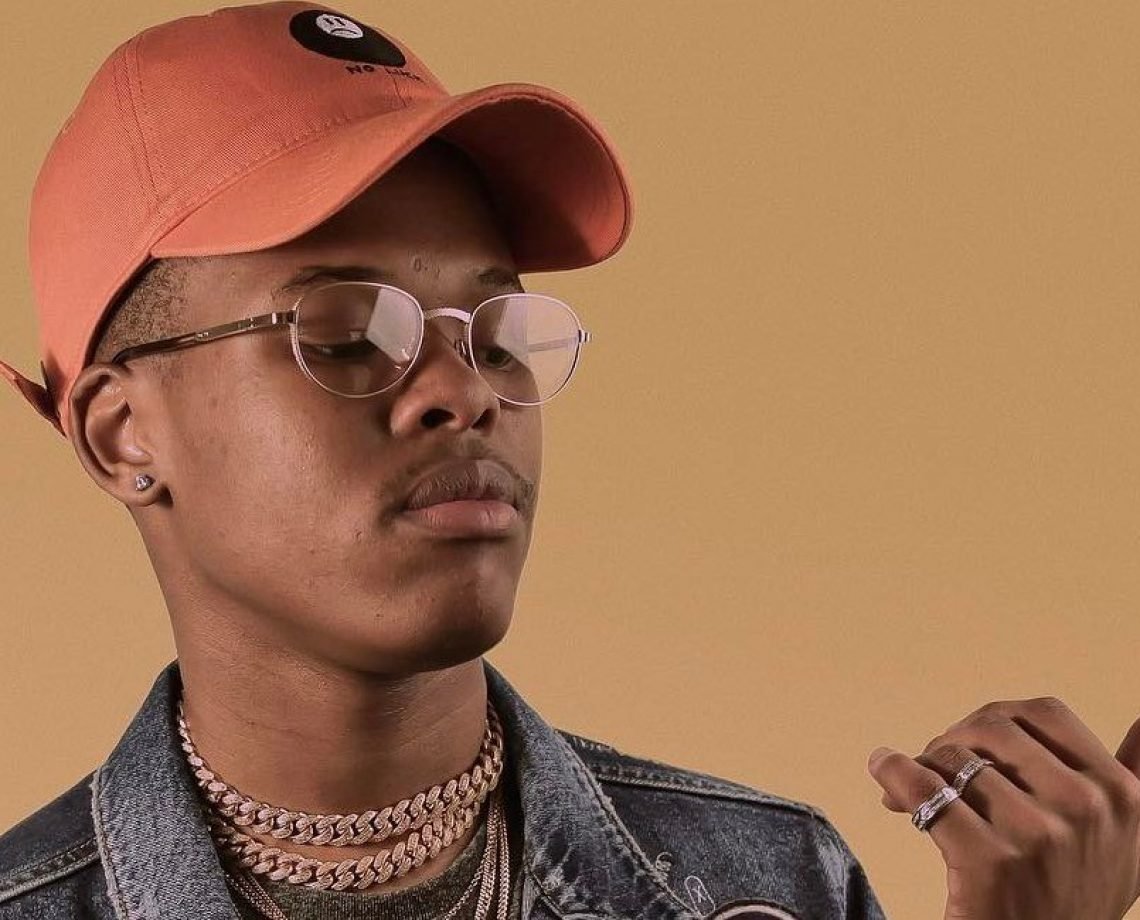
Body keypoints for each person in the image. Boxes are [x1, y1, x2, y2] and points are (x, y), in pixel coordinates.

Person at [1, 4, 1138, 919]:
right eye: (345, 333)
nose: (464, 388)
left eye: (498, 331)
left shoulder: (773, 881)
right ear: (120, 432)